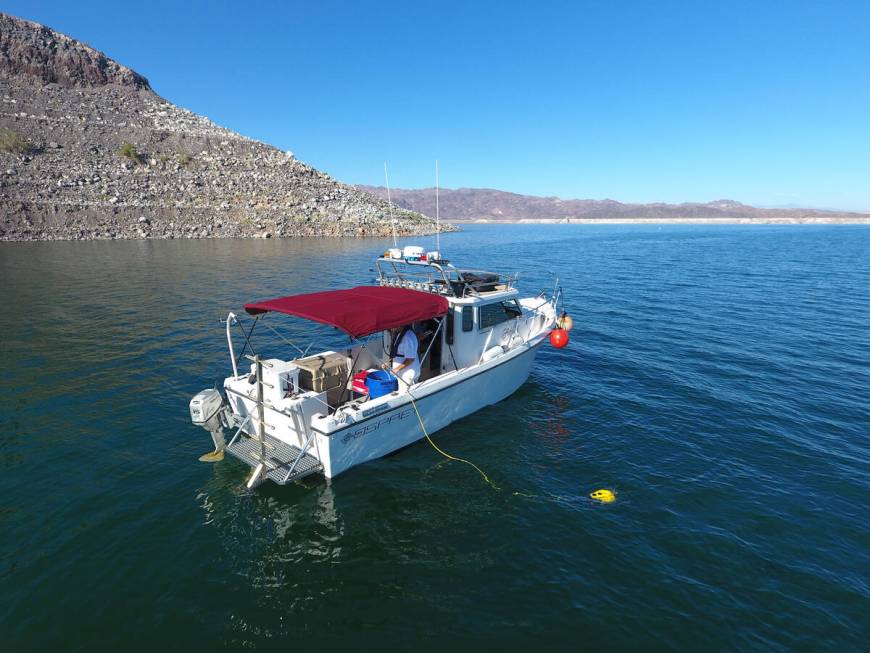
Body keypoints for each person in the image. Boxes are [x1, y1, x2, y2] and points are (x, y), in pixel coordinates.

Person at [389, 324, 420, 392]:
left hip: (408, 374)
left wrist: (396, 369)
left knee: (406, 395)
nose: (390, 329)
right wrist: (388, 363)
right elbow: (397, 353)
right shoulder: (399, 333)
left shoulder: (408, 336)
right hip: (402, 373)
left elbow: (410, 359)